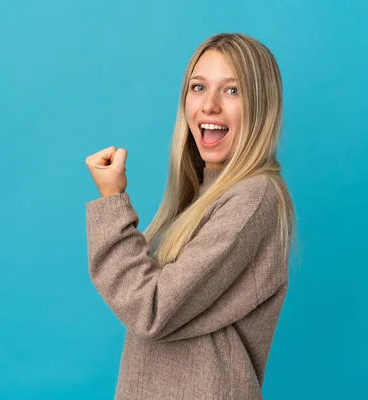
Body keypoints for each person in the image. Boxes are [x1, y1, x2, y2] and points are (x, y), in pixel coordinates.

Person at [85, 32, 296, 400]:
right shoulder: (202, 197)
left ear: (262, 106)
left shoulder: (253, 198)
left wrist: (112, 200)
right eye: (198, 87)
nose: (209, 105)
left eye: (232, 91)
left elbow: (150, 308)